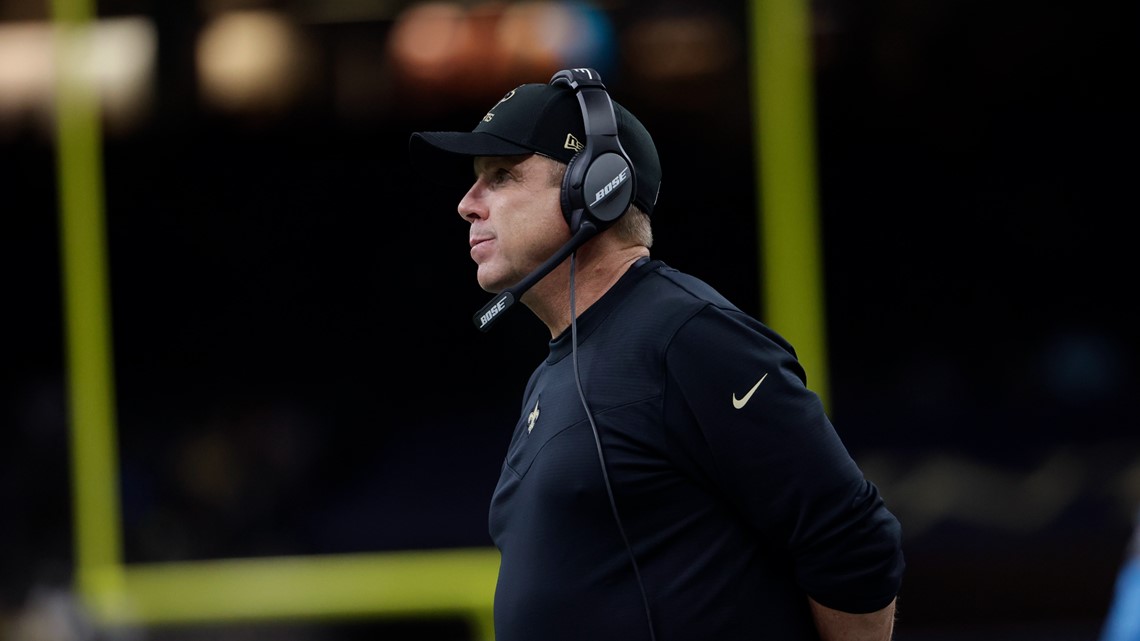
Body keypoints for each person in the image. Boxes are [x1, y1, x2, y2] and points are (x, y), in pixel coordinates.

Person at [409, 68, 904, 641]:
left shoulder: (687, 336)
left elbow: (852, 538)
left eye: (501, 175)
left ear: (596, 187)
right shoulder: (557, 372)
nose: (468, 204)